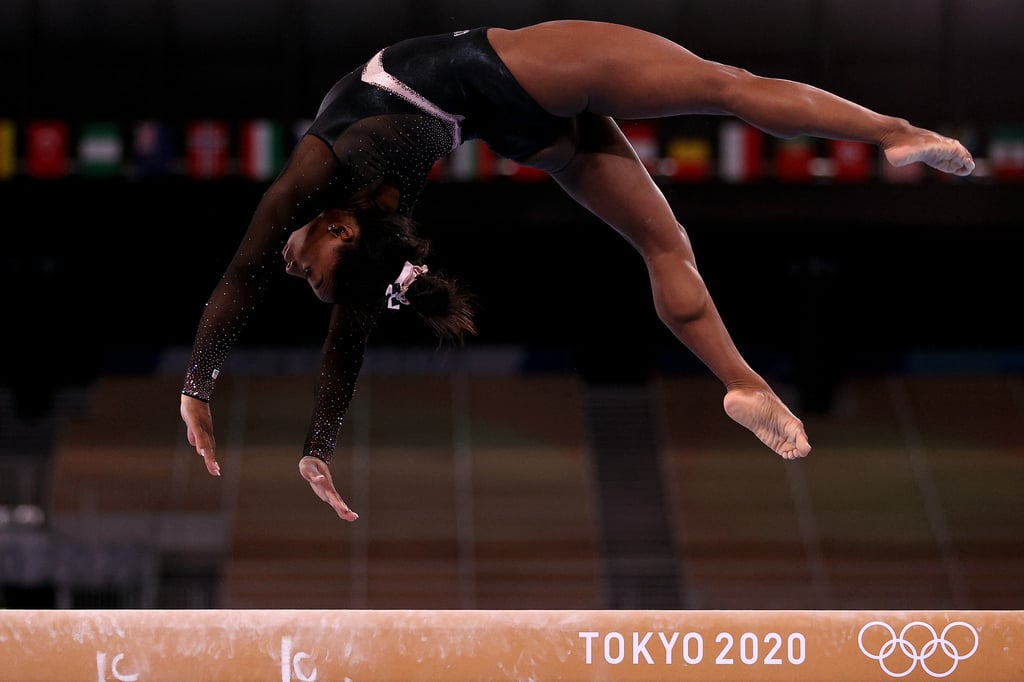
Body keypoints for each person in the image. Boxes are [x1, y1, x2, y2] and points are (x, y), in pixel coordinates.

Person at [178, 20, 975, 522]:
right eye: (312, 275)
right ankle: (891, 136)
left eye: (309, 274)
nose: (294, 268)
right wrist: (312, 439)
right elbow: (302, 307)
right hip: (506, 77)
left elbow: (261, 284)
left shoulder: (337, 195)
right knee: (722, 90)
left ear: (344, 227)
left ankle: (743, 379)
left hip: (501, 121)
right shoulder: (319, 182)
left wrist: (200, 383)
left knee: (667, 246)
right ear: (343, 229)